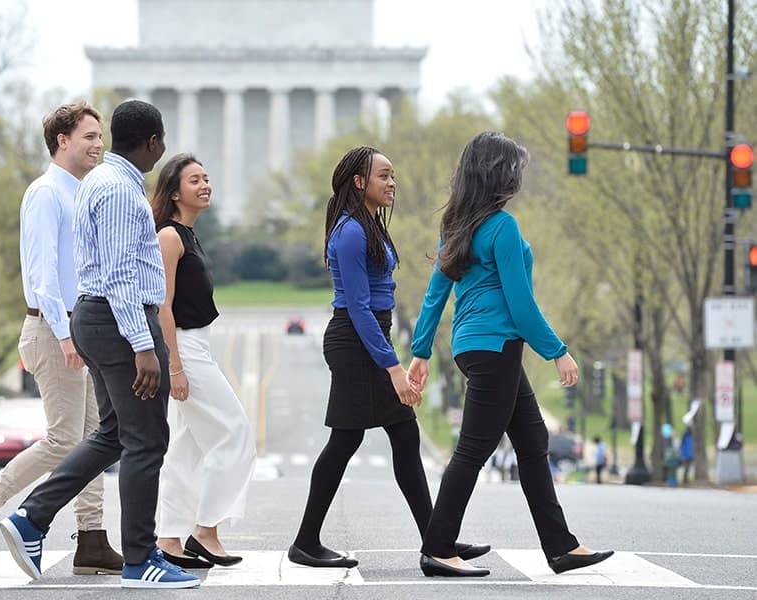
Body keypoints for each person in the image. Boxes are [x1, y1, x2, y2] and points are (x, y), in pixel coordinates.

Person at [0, 100, 199, 589]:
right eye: (162, 141)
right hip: (118, 320)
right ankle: (139, 560)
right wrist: (143, 346)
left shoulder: (102, 183)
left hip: (98, 318)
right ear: (152, 143)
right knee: (147, 441)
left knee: (112, 434)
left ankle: (32, 517)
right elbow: (119, 274)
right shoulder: (118, 192)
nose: (163, 150)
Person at [407, 131, 614, 577]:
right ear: (500, 175)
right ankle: (437, 546)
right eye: (515, 170)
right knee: (474, 449)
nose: (519, 178)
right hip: (498, 346)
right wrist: (557, 351)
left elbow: (434, 294)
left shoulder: (458, 226)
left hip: (472, 346)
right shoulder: (502, 227)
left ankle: (561, 545)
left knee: (533, 442)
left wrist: (421, 352)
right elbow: (521, 307)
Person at [0, 101, 124, 576]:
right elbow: (43, 274)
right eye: (88, 136)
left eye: (100, 136)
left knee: (95, 437)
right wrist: (65, 335)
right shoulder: (46, 193)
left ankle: (92, 540)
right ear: (62, 140)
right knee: (66, 438)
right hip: (52, 327)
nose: (98, 144)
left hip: (76, 327)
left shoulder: (80, 193)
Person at [288, 146, 489, 569]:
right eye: (383, 175)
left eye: (393, 175)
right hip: (353, 341)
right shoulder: (351, 232)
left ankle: (437, 542)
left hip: (368, 336)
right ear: (359, 182)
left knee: (402, 436)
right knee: (348, 440)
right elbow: (358, 307)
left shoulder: (369, 225)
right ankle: (307, 541)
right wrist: (393, 367)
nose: (392, 182)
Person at [150, 153, 256, 568]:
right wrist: (174, 367)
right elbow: (163, 307)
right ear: (175, 192)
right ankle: (205, 530)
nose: (205, 184)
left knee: (186, 450)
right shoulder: (169, 238)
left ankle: (169, 539)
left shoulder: (190, 235)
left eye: (207, 178)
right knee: (236, 433)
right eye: (195, 179)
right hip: (185, 350)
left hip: (197, 346)